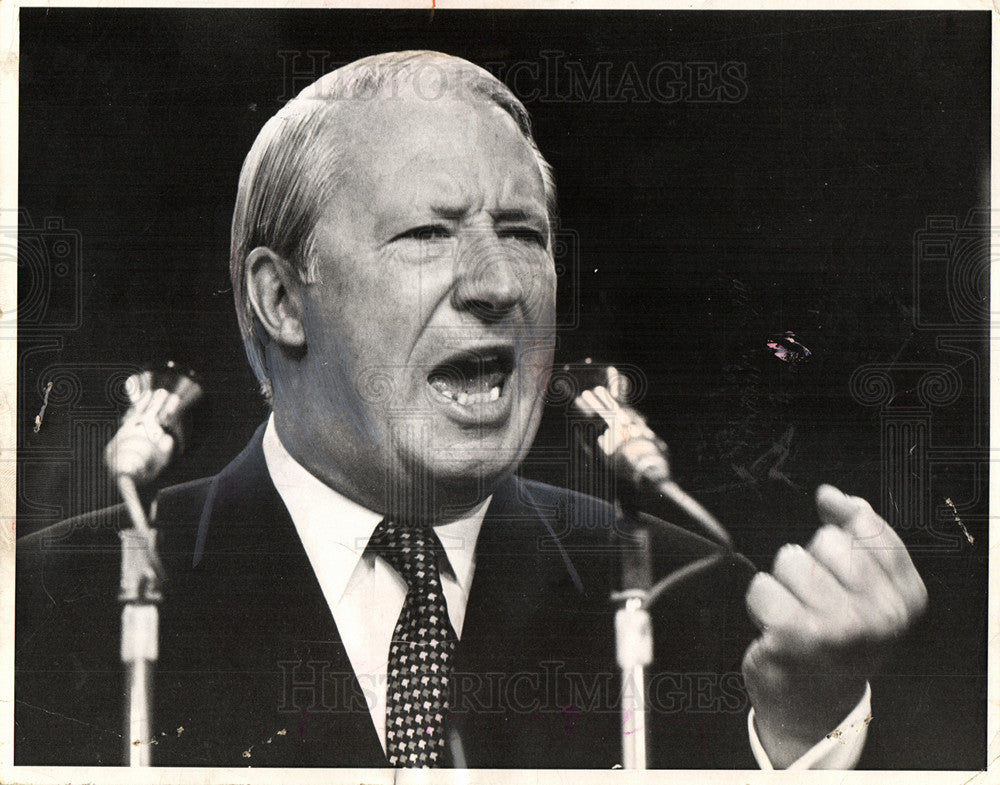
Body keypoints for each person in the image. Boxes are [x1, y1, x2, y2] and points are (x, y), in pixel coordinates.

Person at [15, 51, 926, 770]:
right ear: (283, 299)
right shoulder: (52, 604)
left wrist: (809, 721)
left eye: (523, 234)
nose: (496, 287)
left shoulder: (700, 604)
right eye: (427, 234)